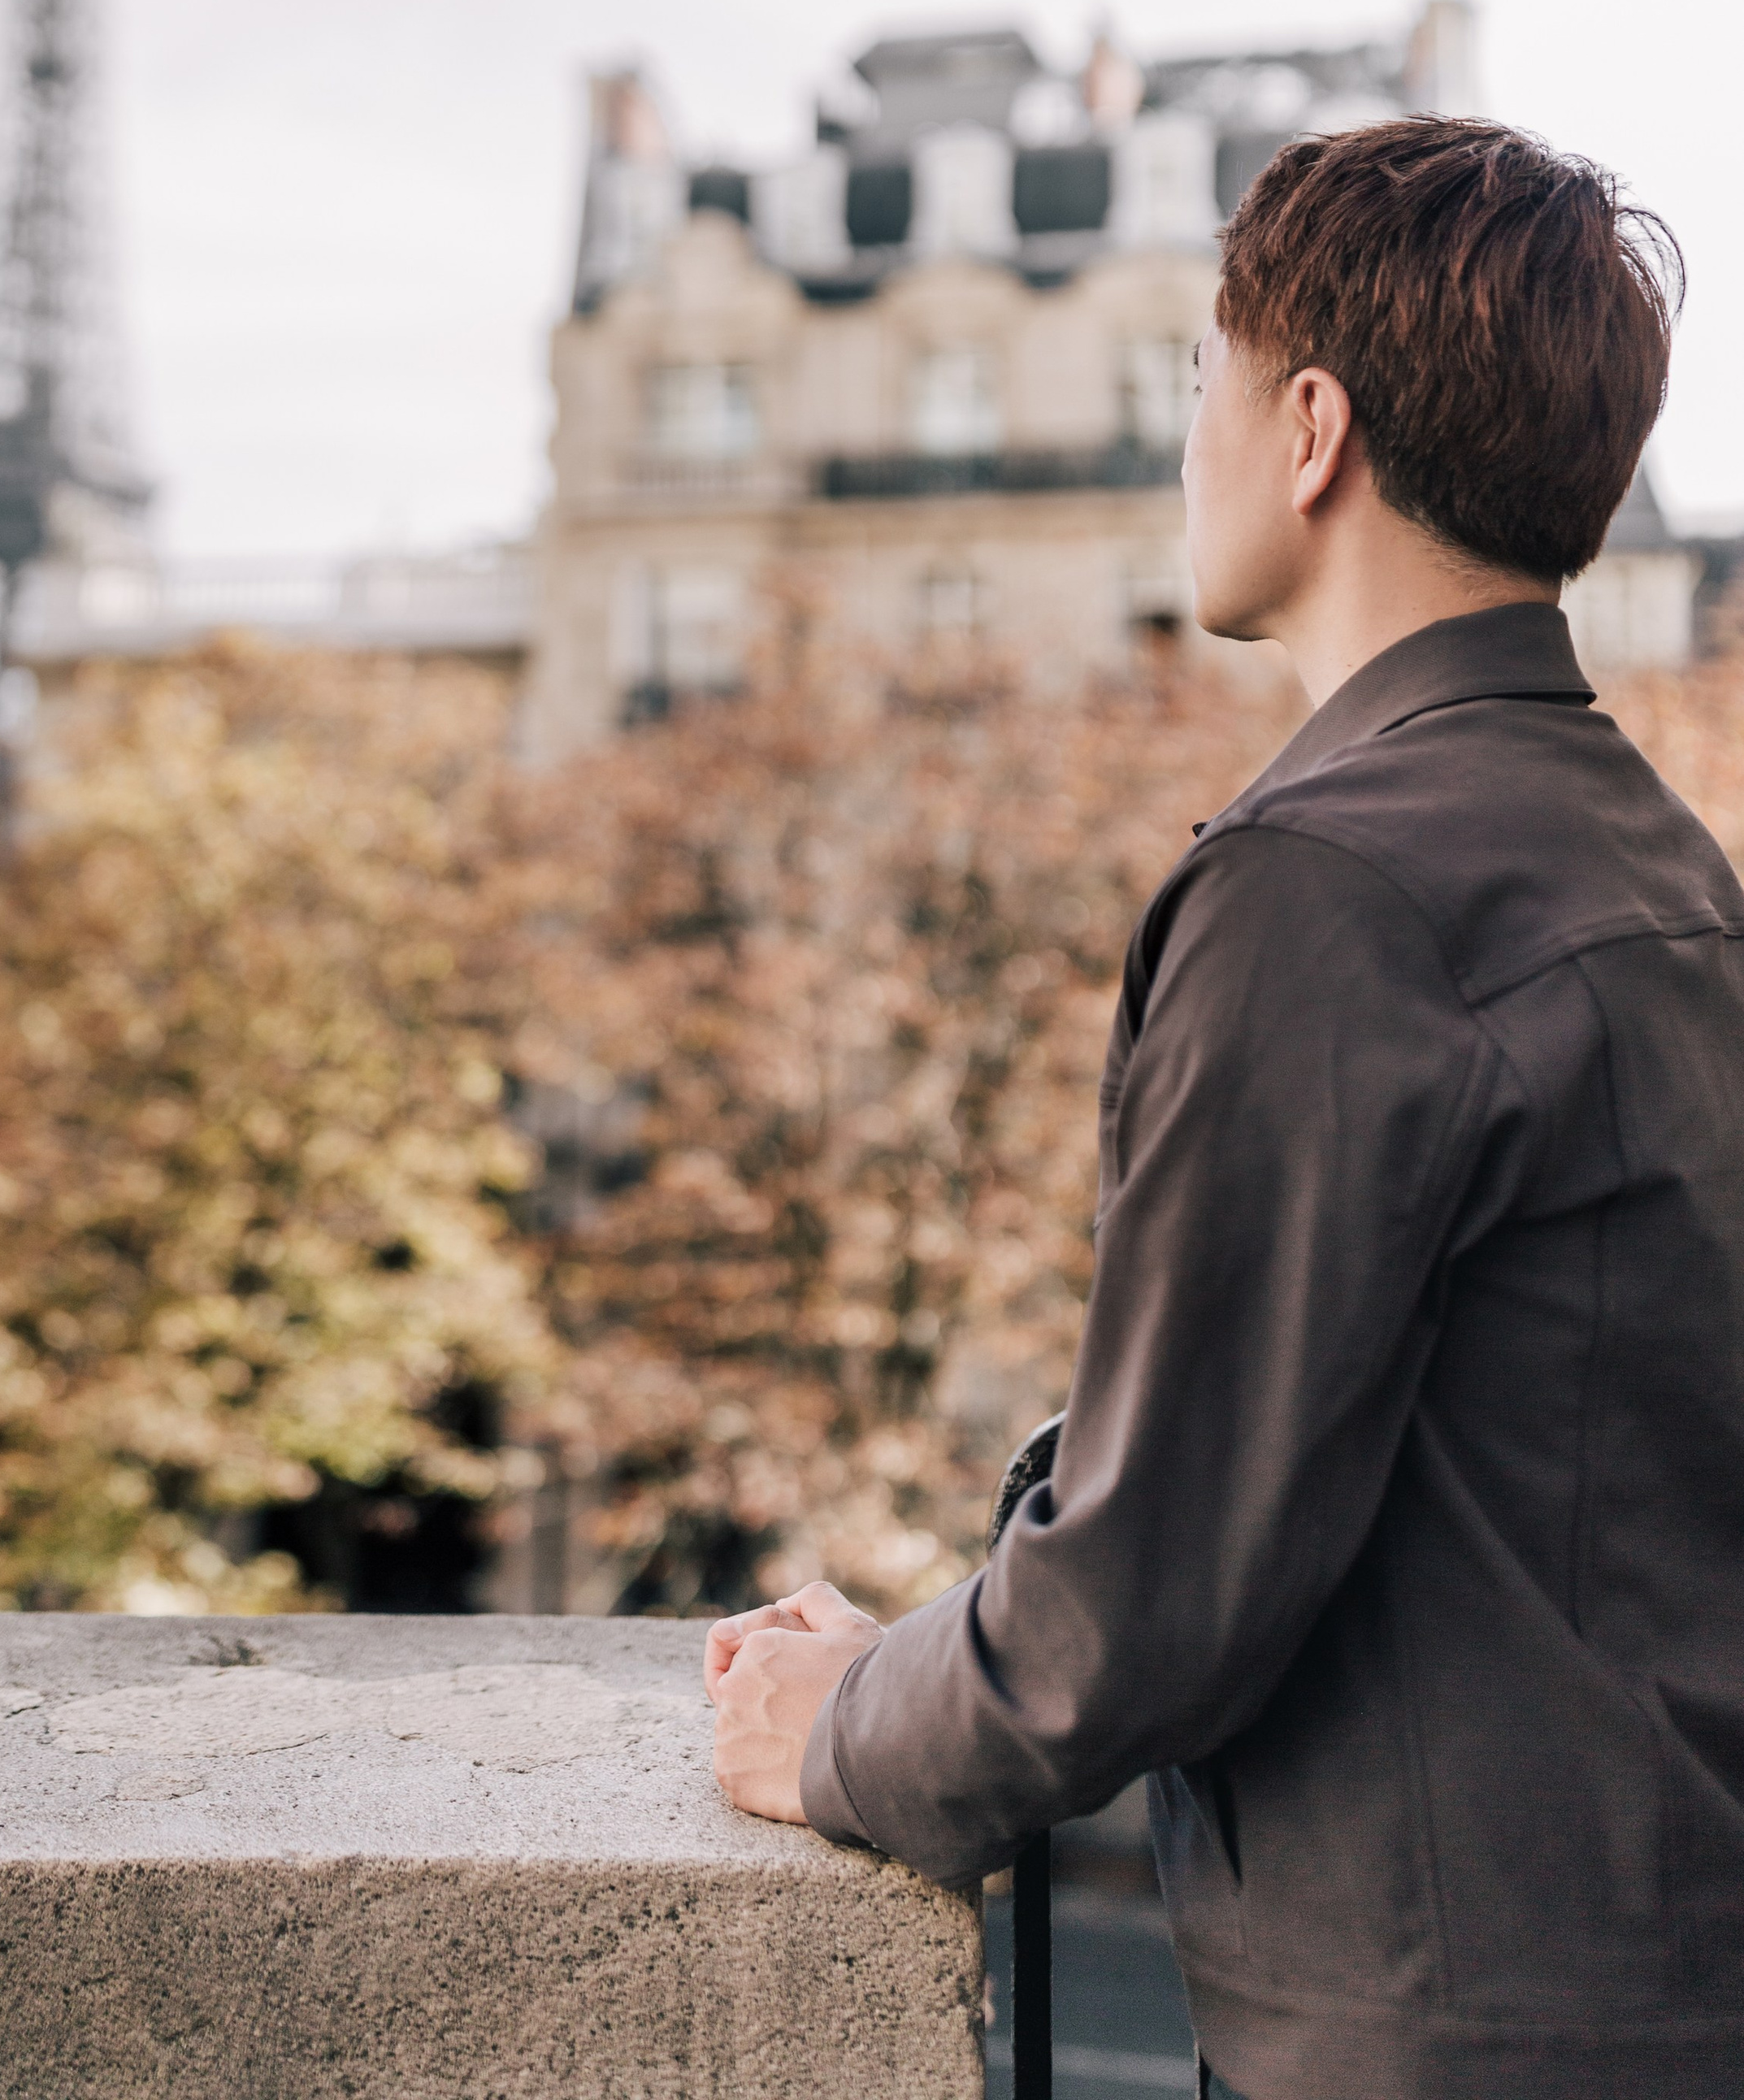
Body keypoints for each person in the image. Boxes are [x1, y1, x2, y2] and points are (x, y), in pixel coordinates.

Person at [703, 118, 1744, 2100]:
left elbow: (1147, 1596)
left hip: (1453, 2034)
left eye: (1202, 381)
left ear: (1307, 431)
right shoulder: (1658, 861)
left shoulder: (1326, 886)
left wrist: (835, 1726)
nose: (1185, 444)